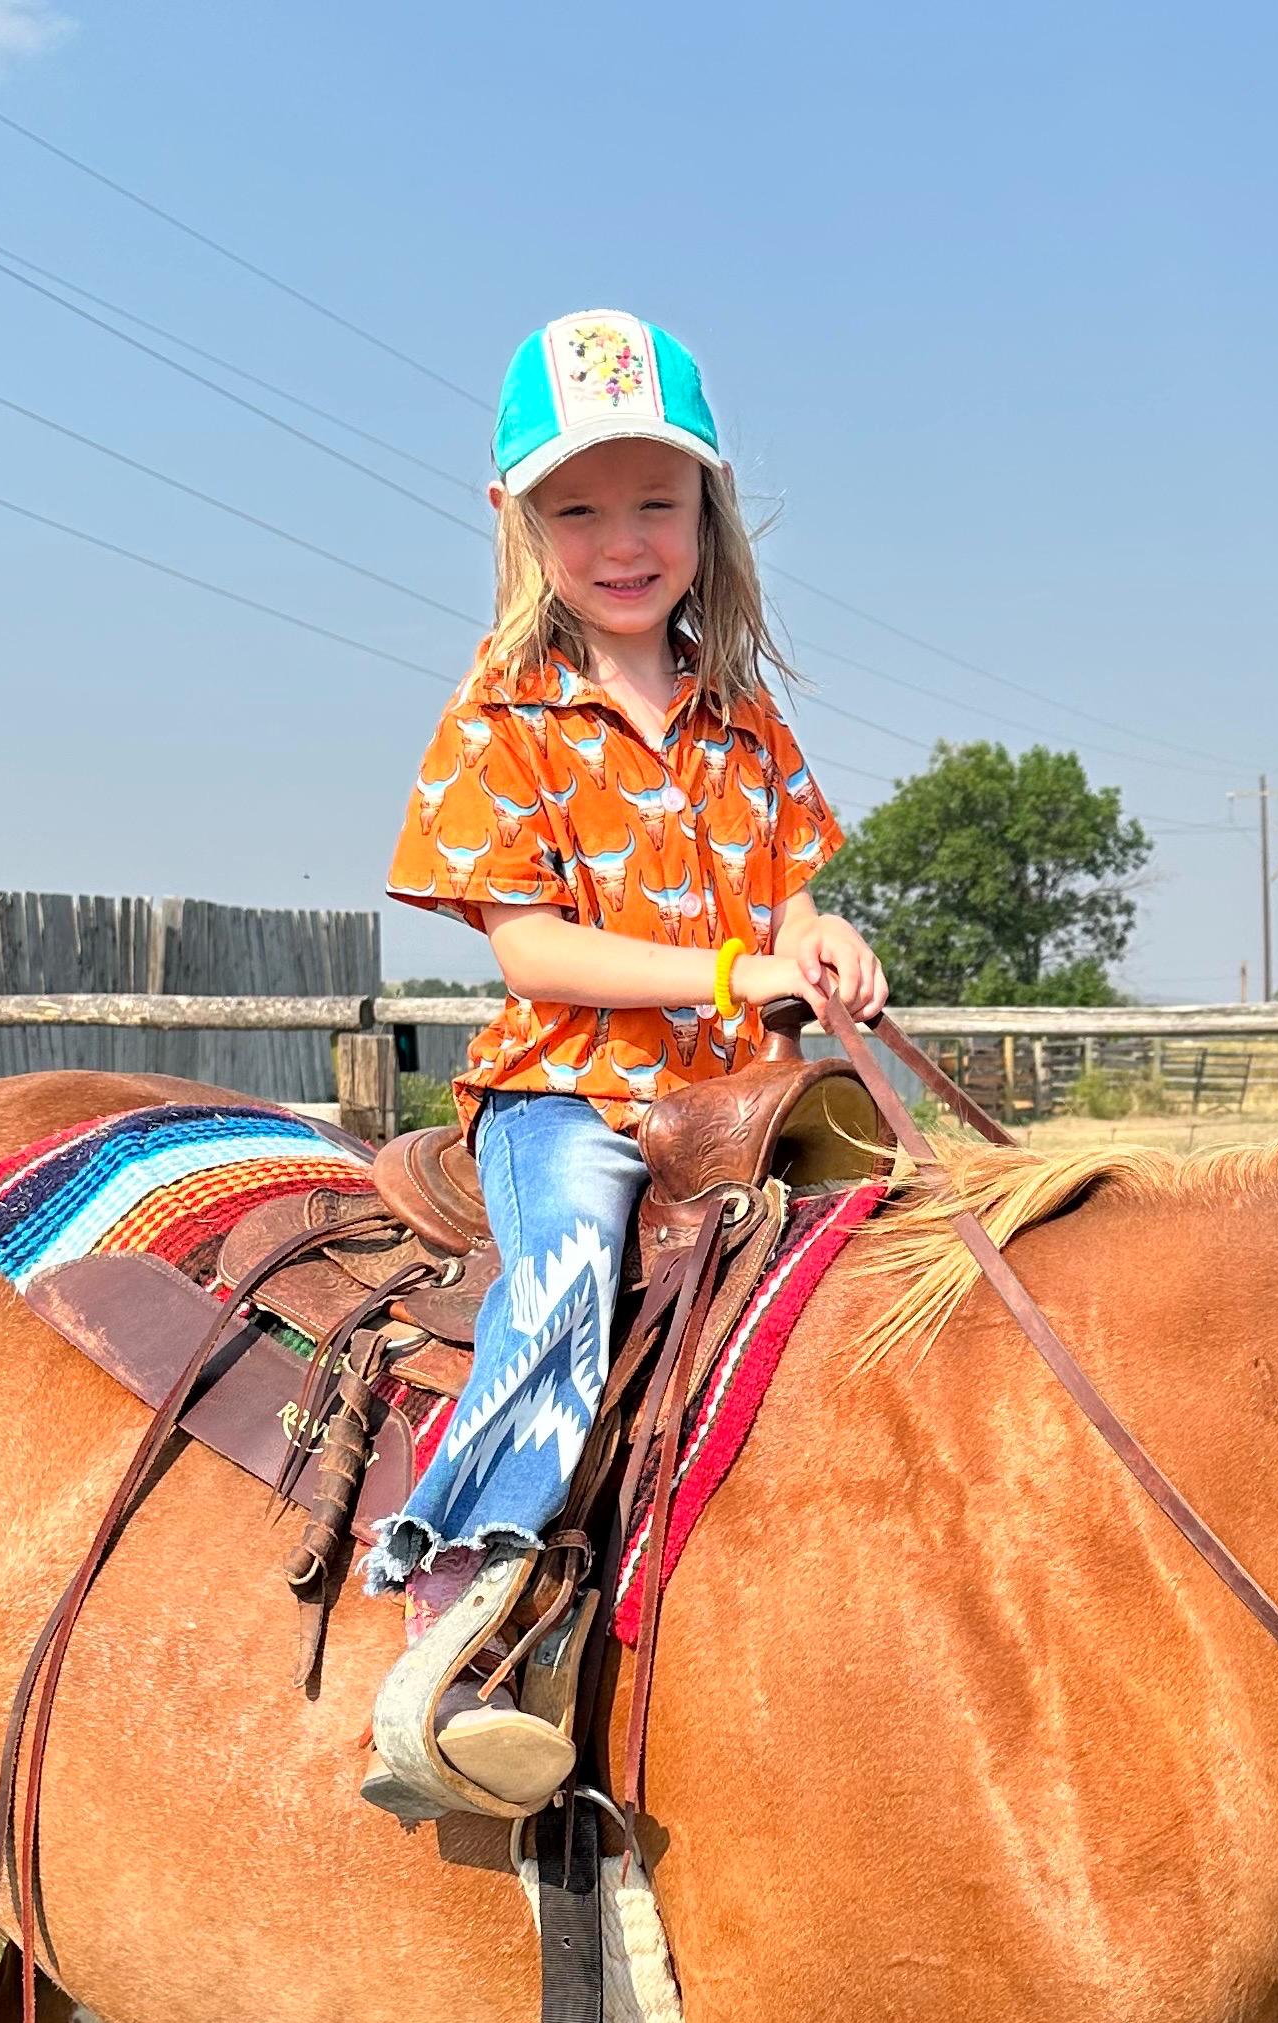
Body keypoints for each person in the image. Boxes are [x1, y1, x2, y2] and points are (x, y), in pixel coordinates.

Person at [362, 308, 887, 1823]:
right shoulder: (498, 720)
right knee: (570, 1282)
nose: (621, 539)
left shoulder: (743, 717)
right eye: (577, 507)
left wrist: (822, 935)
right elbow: (534, 954)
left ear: (709, 515)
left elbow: (785, 887)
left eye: (655, 500)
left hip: (747, 1092)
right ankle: (459, 1622)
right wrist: (732, 969)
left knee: (915, 1240)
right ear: (515, 523)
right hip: (572, 1093)